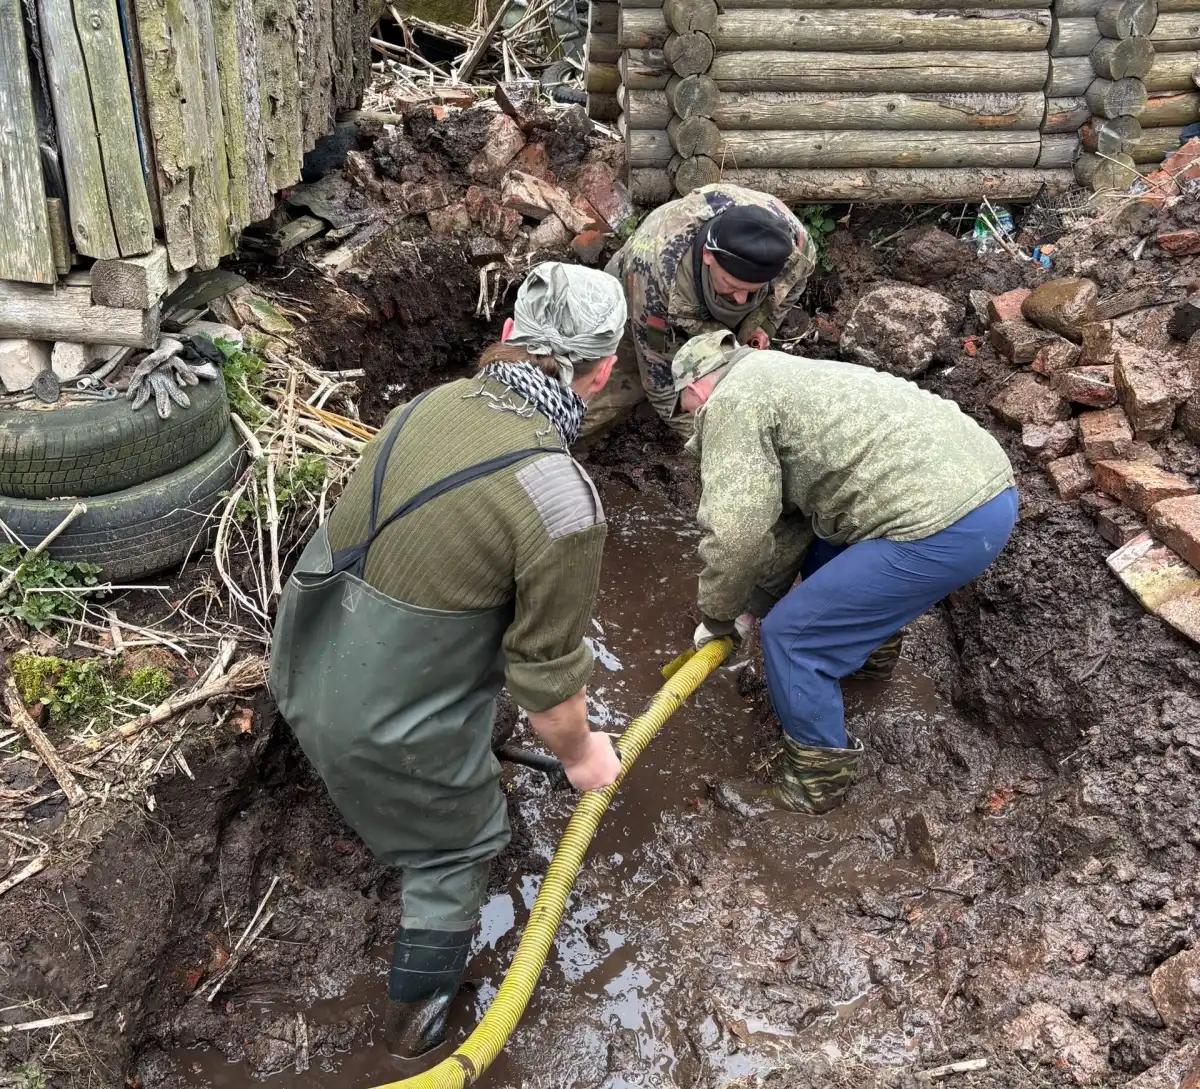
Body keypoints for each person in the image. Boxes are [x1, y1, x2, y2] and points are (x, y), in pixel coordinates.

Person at [268, 263, 626, 1058]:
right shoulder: (561, 497)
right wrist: (582, 755)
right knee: (466, 842)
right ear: (599, 375)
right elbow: (545, 678)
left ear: (506, 337)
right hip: (372, 725)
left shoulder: (426, 404)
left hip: (301, 664)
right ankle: (411, 1038)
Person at [673, 330, 1018, 815]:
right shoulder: (783, 374)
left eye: (686, 411)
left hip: (943, 525)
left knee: (792, 639)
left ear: (697, 389)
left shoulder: (732, 403)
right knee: (824, 556)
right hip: (989, 492)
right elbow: (790, 523)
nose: (691, 422)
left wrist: (718, 616)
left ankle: (815, 785)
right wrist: (751, 607)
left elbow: (737, 535)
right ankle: (864, 666)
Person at [580, 183, 818, 441]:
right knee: (603, 396)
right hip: (634, 309)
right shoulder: (654, 277)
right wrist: (714, 446)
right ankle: (560, 444)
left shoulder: (793, 246)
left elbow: (794, 283)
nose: (741, 299)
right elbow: (659, 383)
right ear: (708, 254)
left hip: (695, 307)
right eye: (732, 286)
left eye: (752, 290)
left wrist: (765, 325)